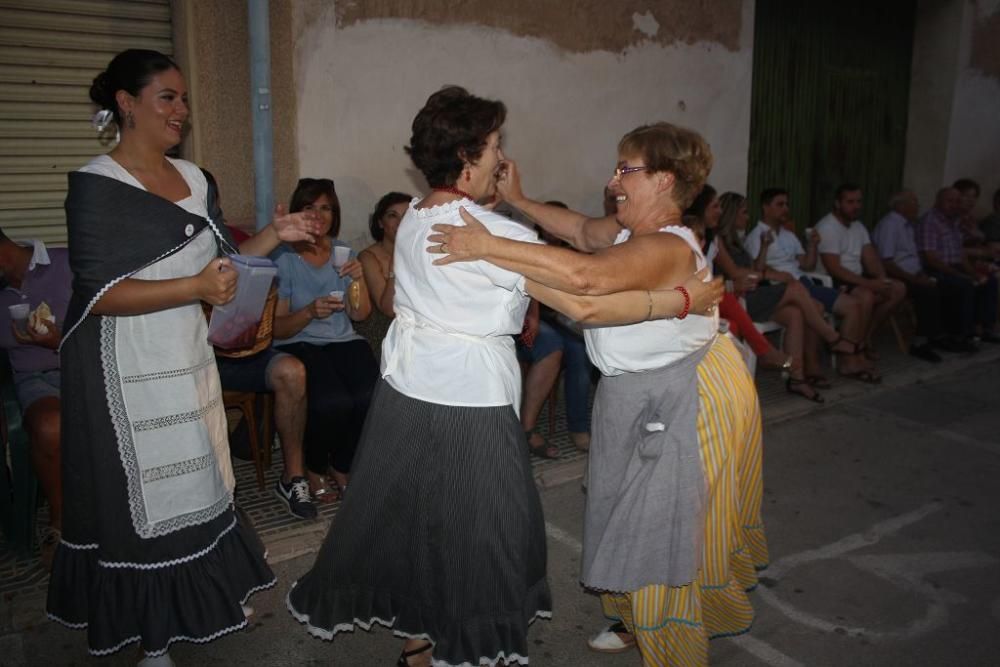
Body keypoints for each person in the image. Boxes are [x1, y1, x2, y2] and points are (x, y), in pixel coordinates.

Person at [286, 88, 719, 667]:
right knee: (482, 524)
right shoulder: (496, 236)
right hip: (471, 394)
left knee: (420, 512)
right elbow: (584, 295)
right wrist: (684, 298)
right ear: (467, 156)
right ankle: (460, 644)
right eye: (493, 146)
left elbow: (586, 248)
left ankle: (420, 633)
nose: (500, 156)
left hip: (408, 389)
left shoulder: (414, 215)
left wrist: (514, 205)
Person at [428, 120, 765, 665]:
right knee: (619, 507)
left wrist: (487, 247)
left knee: (660, 527)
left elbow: (585, 282)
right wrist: (522, 201)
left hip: (682, 395)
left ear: (664, 179)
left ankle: (673, 644)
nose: (613, 180)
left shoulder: (669, 246)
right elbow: (584, 233)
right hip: (636, 392)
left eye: (625, 169)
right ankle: (636, 620)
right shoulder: (635, 234)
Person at [48, 49, 319, 664]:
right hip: (126, 363)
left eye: (184, 98)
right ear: (126, 102)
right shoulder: (98, 186)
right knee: (143, 501)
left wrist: (277, 235)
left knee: (200, 479)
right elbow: (101, 293)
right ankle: (153, 641)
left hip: (186, 355)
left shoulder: (196, 179)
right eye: (167, 97)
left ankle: (205, 598)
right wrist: (196, 290)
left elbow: (217, 259)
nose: (181, 109)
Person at [201, 169, 317, 520]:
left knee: (292, 371)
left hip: (241, 349)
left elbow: (261, 289)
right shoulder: (173, 243)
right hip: (194, 357)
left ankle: (293, 476)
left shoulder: (235, 238)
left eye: (207, 197)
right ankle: (211, 493)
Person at [272, 177, 377, 502]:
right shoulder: (284, 257)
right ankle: (314, 466)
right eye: (309, 207)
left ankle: (341, 464)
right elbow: (278, 328)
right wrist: (309, 312)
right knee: (333, 402)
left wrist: (358, 279)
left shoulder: (343, 251)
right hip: (299, 342)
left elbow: (359, 315)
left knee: (371, 396)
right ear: (296, 212)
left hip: (343, 339)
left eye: (326, 208)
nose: (319, 215)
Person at [744, 188, 877, 382]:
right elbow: (757, 270)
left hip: (804, 282)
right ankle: (815, 365)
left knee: (853, 305)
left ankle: (846, 359)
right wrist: (766, 249)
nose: (785, 209)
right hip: (783, 288)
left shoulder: (788, 235)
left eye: (787, 204)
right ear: (766, 208)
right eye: (779, 205)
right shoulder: (756, 236)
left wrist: (813, 245)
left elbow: (807, 264)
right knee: (817, 308)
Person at [0, 228, 69, 566]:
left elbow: (104, 325)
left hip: (83, 369)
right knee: (50, 426)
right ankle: (59, 520)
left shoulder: (66, 264)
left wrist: (58, 340)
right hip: (35, 380)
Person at [814, 184, 906, 359]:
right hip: (833, 279)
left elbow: (871, 260)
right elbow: (834, 268)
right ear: (837, 203)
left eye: (858, 201)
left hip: (856, 278)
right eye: (850, 202)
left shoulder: (858, 227)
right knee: (866, 295)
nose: (855, 206)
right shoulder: (827, 227)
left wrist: (882, 280)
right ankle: (852, 351)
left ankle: (864, 337)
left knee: (897, 289)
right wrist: (871, 284)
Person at [872, 190, 955, 360]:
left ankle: (938, 335)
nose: (918, 206)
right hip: (896, 275)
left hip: (914, 272)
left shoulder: (908, 225)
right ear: (901, 206)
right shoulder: (890, 225)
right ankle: (920, 342)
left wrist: (921, 274)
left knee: (947, 284)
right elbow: (886, 262)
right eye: (914, 202)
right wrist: (914, 279)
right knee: (927, 292)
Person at [917, 187, 999, 344]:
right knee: (964, 285)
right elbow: (931, 259)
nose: (954, 205)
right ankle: (958, 335)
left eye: (957, 202)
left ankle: (983, 329)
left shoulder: (954, 221)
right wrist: (962, 275)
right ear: (937, 202)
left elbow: (961, 255)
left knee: (988, 281)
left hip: (955, 267)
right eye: (949, 201)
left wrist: (974, 274)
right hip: (936, 269)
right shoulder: (930, 221)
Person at [357, 191, 411, 362]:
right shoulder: (367, 257)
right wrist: (397, 263)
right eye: (392, 216)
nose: (401, 222)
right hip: (383, 328)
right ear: (380, 222)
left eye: (407, 216)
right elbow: (388, 309)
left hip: (415, 323)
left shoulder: (420, 250)